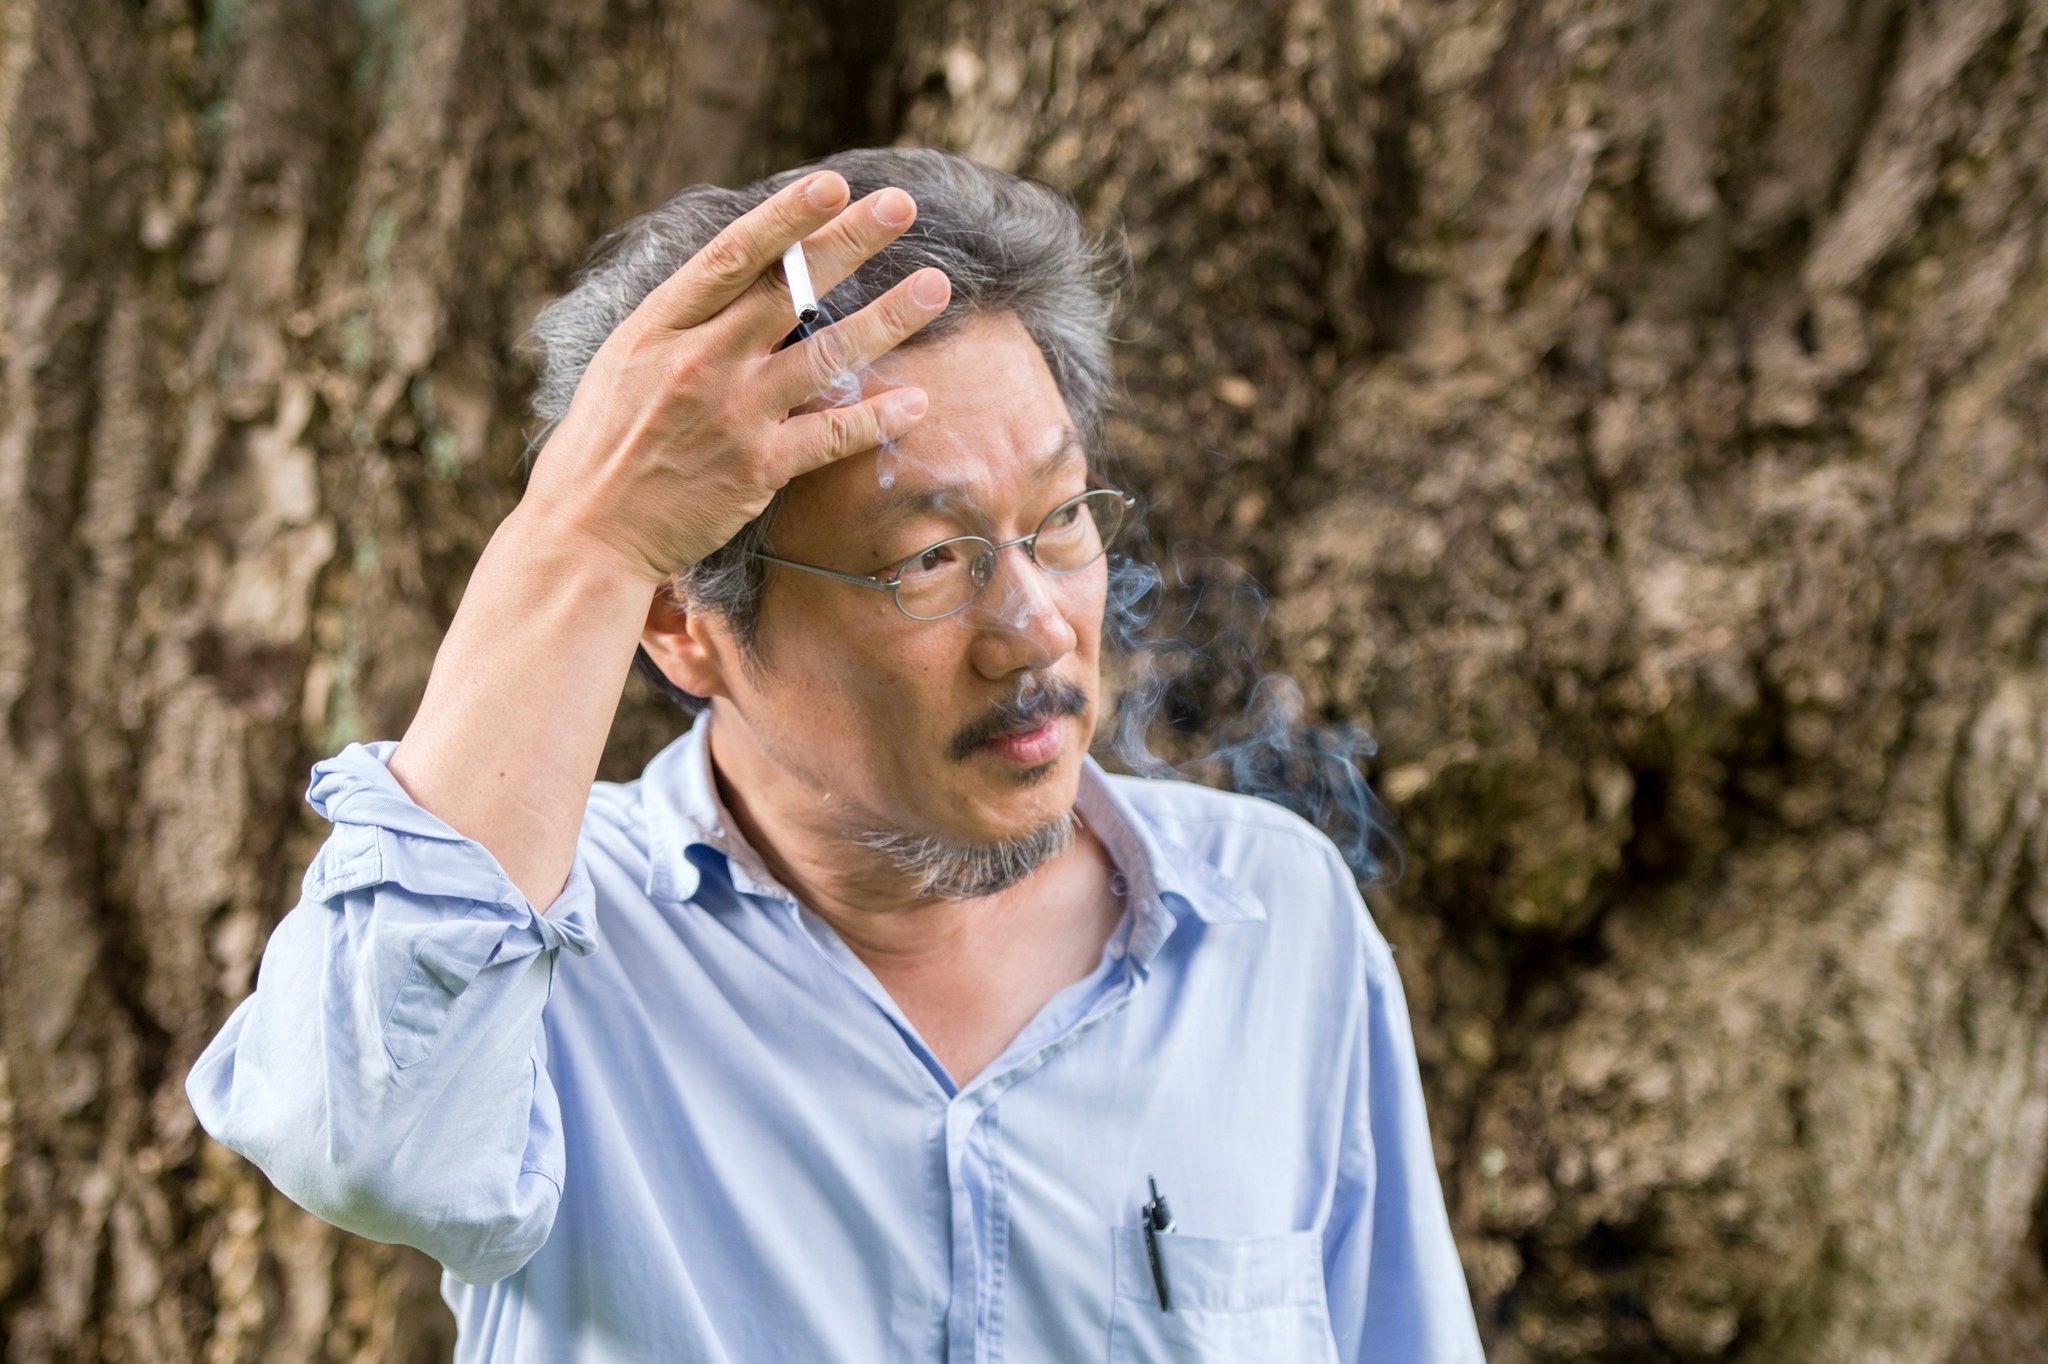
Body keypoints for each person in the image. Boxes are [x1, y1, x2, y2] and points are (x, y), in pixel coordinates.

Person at [186, 146, 1483, 1363]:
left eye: (1061, 519)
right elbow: (354, 1138)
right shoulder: (543, 958)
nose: (1035, 628)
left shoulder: (1272, 921)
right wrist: (582, 537)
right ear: (684, 627)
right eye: (929, 558)